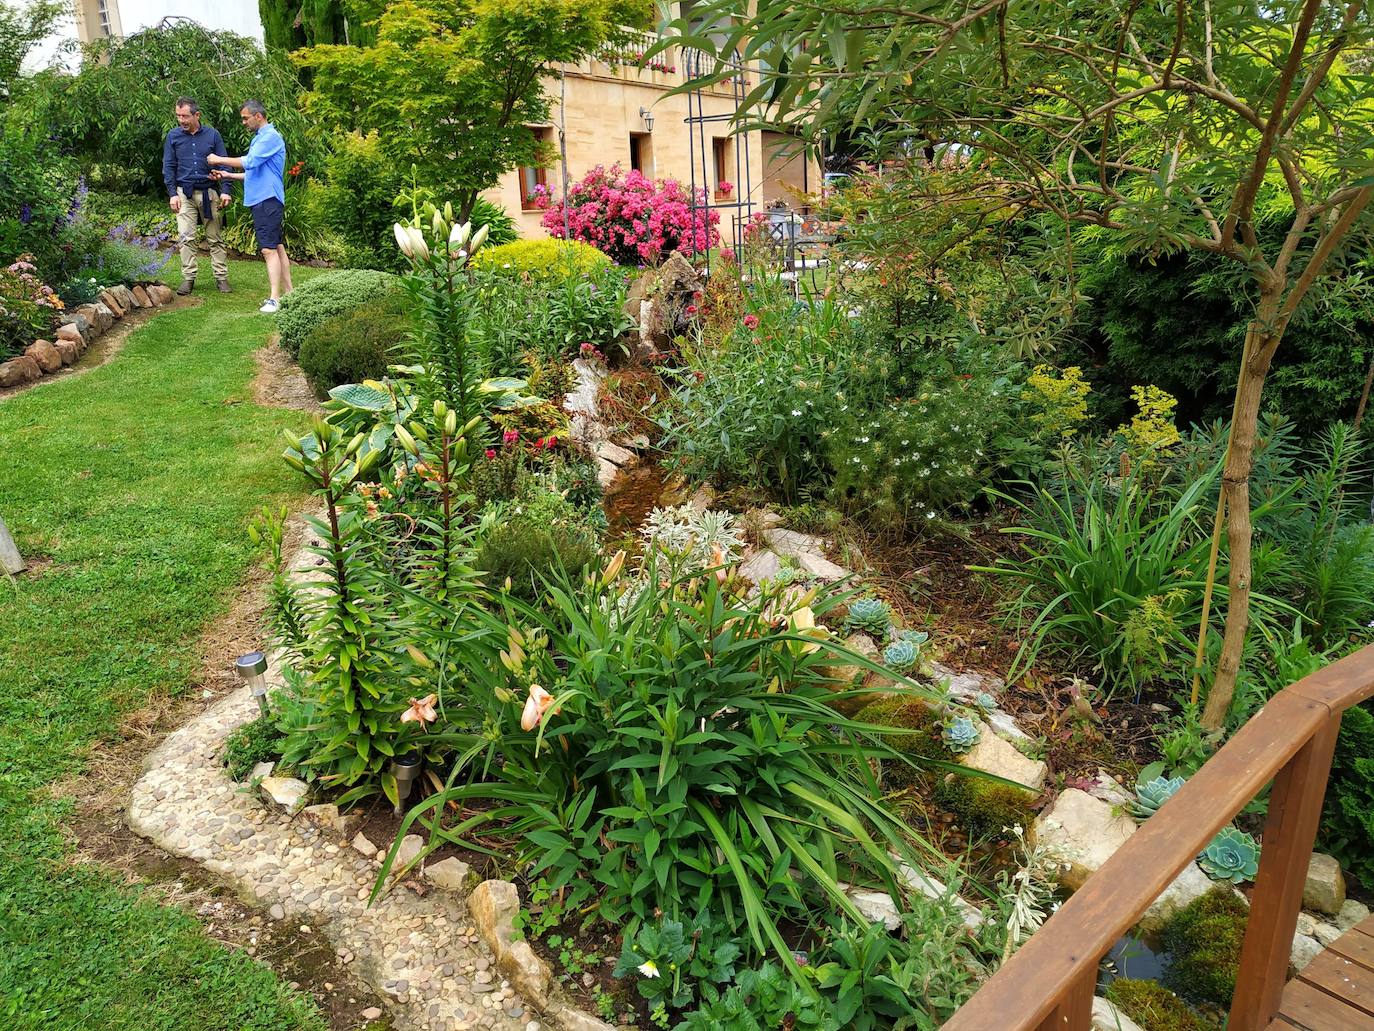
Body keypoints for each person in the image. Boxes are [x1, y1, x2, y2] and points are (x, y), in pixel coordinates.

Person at [208, 99, 293, 313]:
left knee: (268, 250)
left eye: (245, 118)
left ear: (258, 116)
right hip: (264, 199)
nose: (243, 122)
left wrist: (219, 159)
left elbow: (251, 162)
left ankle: (275, 299)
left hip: (267, 199)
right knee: (277, 247)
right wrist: (228, 175)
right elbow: (254, 172)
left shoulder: (270, 137)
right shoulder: (260, 139)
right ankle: (290, 294)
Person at [162, 96, 233, 295]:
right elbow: (168, 166)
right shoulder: (173, 136)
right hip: (183, 194)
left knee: (215, 238)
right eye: (178, 116)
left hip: (210, 193)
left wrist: (226, 190)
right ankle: (188, 278)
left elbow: (224, 163)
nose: (181, 120)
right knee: (186, 237)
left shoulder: (213, 135)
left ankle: (221, 277)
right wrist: (171, 194)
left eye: (185, 116)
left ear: (197, 115)